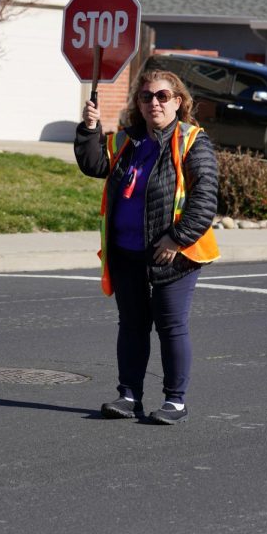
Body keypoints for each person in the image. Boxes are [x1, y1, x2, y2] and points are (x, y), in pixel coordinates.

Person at [74, 65, 219, 424]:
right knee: (132, 326)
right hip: (127, 253)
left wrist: (177, 238)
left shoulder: (191, 140)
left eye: (162, 96)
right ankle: (128, 396)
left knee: (171, 326)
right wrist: (89, 128)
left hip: (174, 255)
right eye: (146, 96)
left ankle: (175, 401)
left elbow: (205, 197)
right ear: (138, 104)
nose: (154, 102)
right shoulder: (127, 141)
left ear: (178, 101)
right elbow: (94, 164)